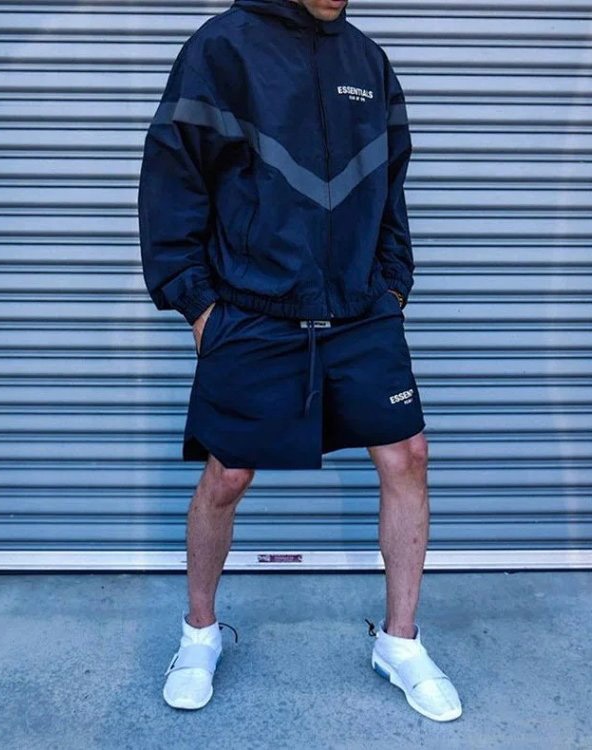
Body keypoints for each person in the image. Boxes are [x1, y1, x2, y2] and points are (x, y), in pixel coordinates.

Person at [138, 0, 462, 721]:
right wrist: (198, 306)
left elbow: (391, 184)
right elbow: (171, 178)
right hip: (253, 307)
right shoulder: (222, 48)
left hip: (360, 309)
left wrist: (393, 285)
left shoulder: (367, 61)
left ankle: (401, 642)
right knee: (228, 474)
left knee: (407, 455)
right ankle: (199, 634)